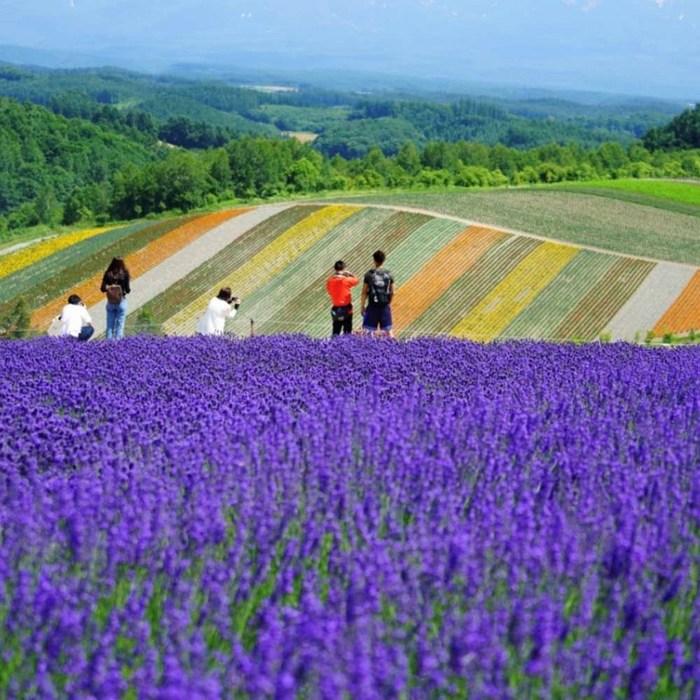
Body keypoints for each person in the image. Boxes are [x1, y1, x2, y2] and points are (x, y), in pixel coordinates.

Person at [361, 249, 395, 338]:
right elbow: (393, 292)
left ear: (374, 260)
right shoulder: (389, 274)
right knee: (389, 333)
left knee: (368, 333)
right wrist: (388, 303)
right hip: (384, 307)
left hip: (372, 306)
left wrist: (362, 306)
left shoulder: (369, 274)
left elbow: (364, 292)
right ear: (383, 260)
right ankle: (395, 349)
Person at [100, 257, 131, 340]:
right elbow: (128, 290)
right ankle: (117, 347)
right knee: (120, 327)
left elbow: (102, 288)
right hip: (121, 302)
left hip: (110, 302)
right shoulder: (125, 273)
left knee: (110, 327)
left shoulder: (108, 273)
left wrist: (111, 288)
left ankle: (108, 345)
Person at [326, 260, 359, 336]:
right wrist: (350, 274)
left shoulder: (330, 281)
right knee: (347, 331)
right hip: (347, 308)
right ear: (344, 269)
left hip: (336, 309)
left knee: (336, 331)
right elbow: (356, 281)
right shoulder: (345, 280)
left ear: (335, 269)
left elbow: (329, 292)